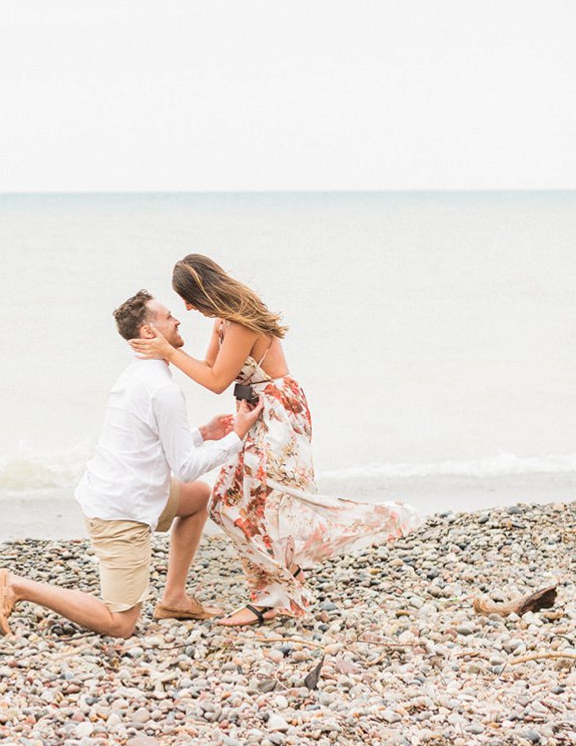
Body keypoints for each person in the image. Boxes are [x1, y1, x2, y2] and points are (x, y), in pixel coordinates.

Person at [130, 254, 418, 625]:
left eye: (187, 297)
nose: (186, 307)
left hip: (281, 412)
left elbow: (216, 380)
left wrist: (169, 352)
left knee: (268, 501)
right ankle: (281, 583)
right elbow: (210, 373)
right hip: (256, 409)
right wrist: (168, 356)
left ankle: (280, 588)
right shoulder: (222, 321)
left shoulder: (239, 321)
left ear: (202, 290)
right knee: (223, 502)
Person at [0, 288, 262, 639]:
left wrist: (202, 433)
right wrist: (236, 436)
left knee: (197, 498)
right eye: (166, 316)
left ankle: (174, 597)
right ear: (149, 333)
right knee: (120, 623)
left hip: (121, 489)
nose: (177, 318)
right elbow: (187, 467)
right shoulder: (162, 390)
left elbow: (145, 445)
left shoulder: (137, 375)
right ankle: (16, 586)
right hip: (121, 511)